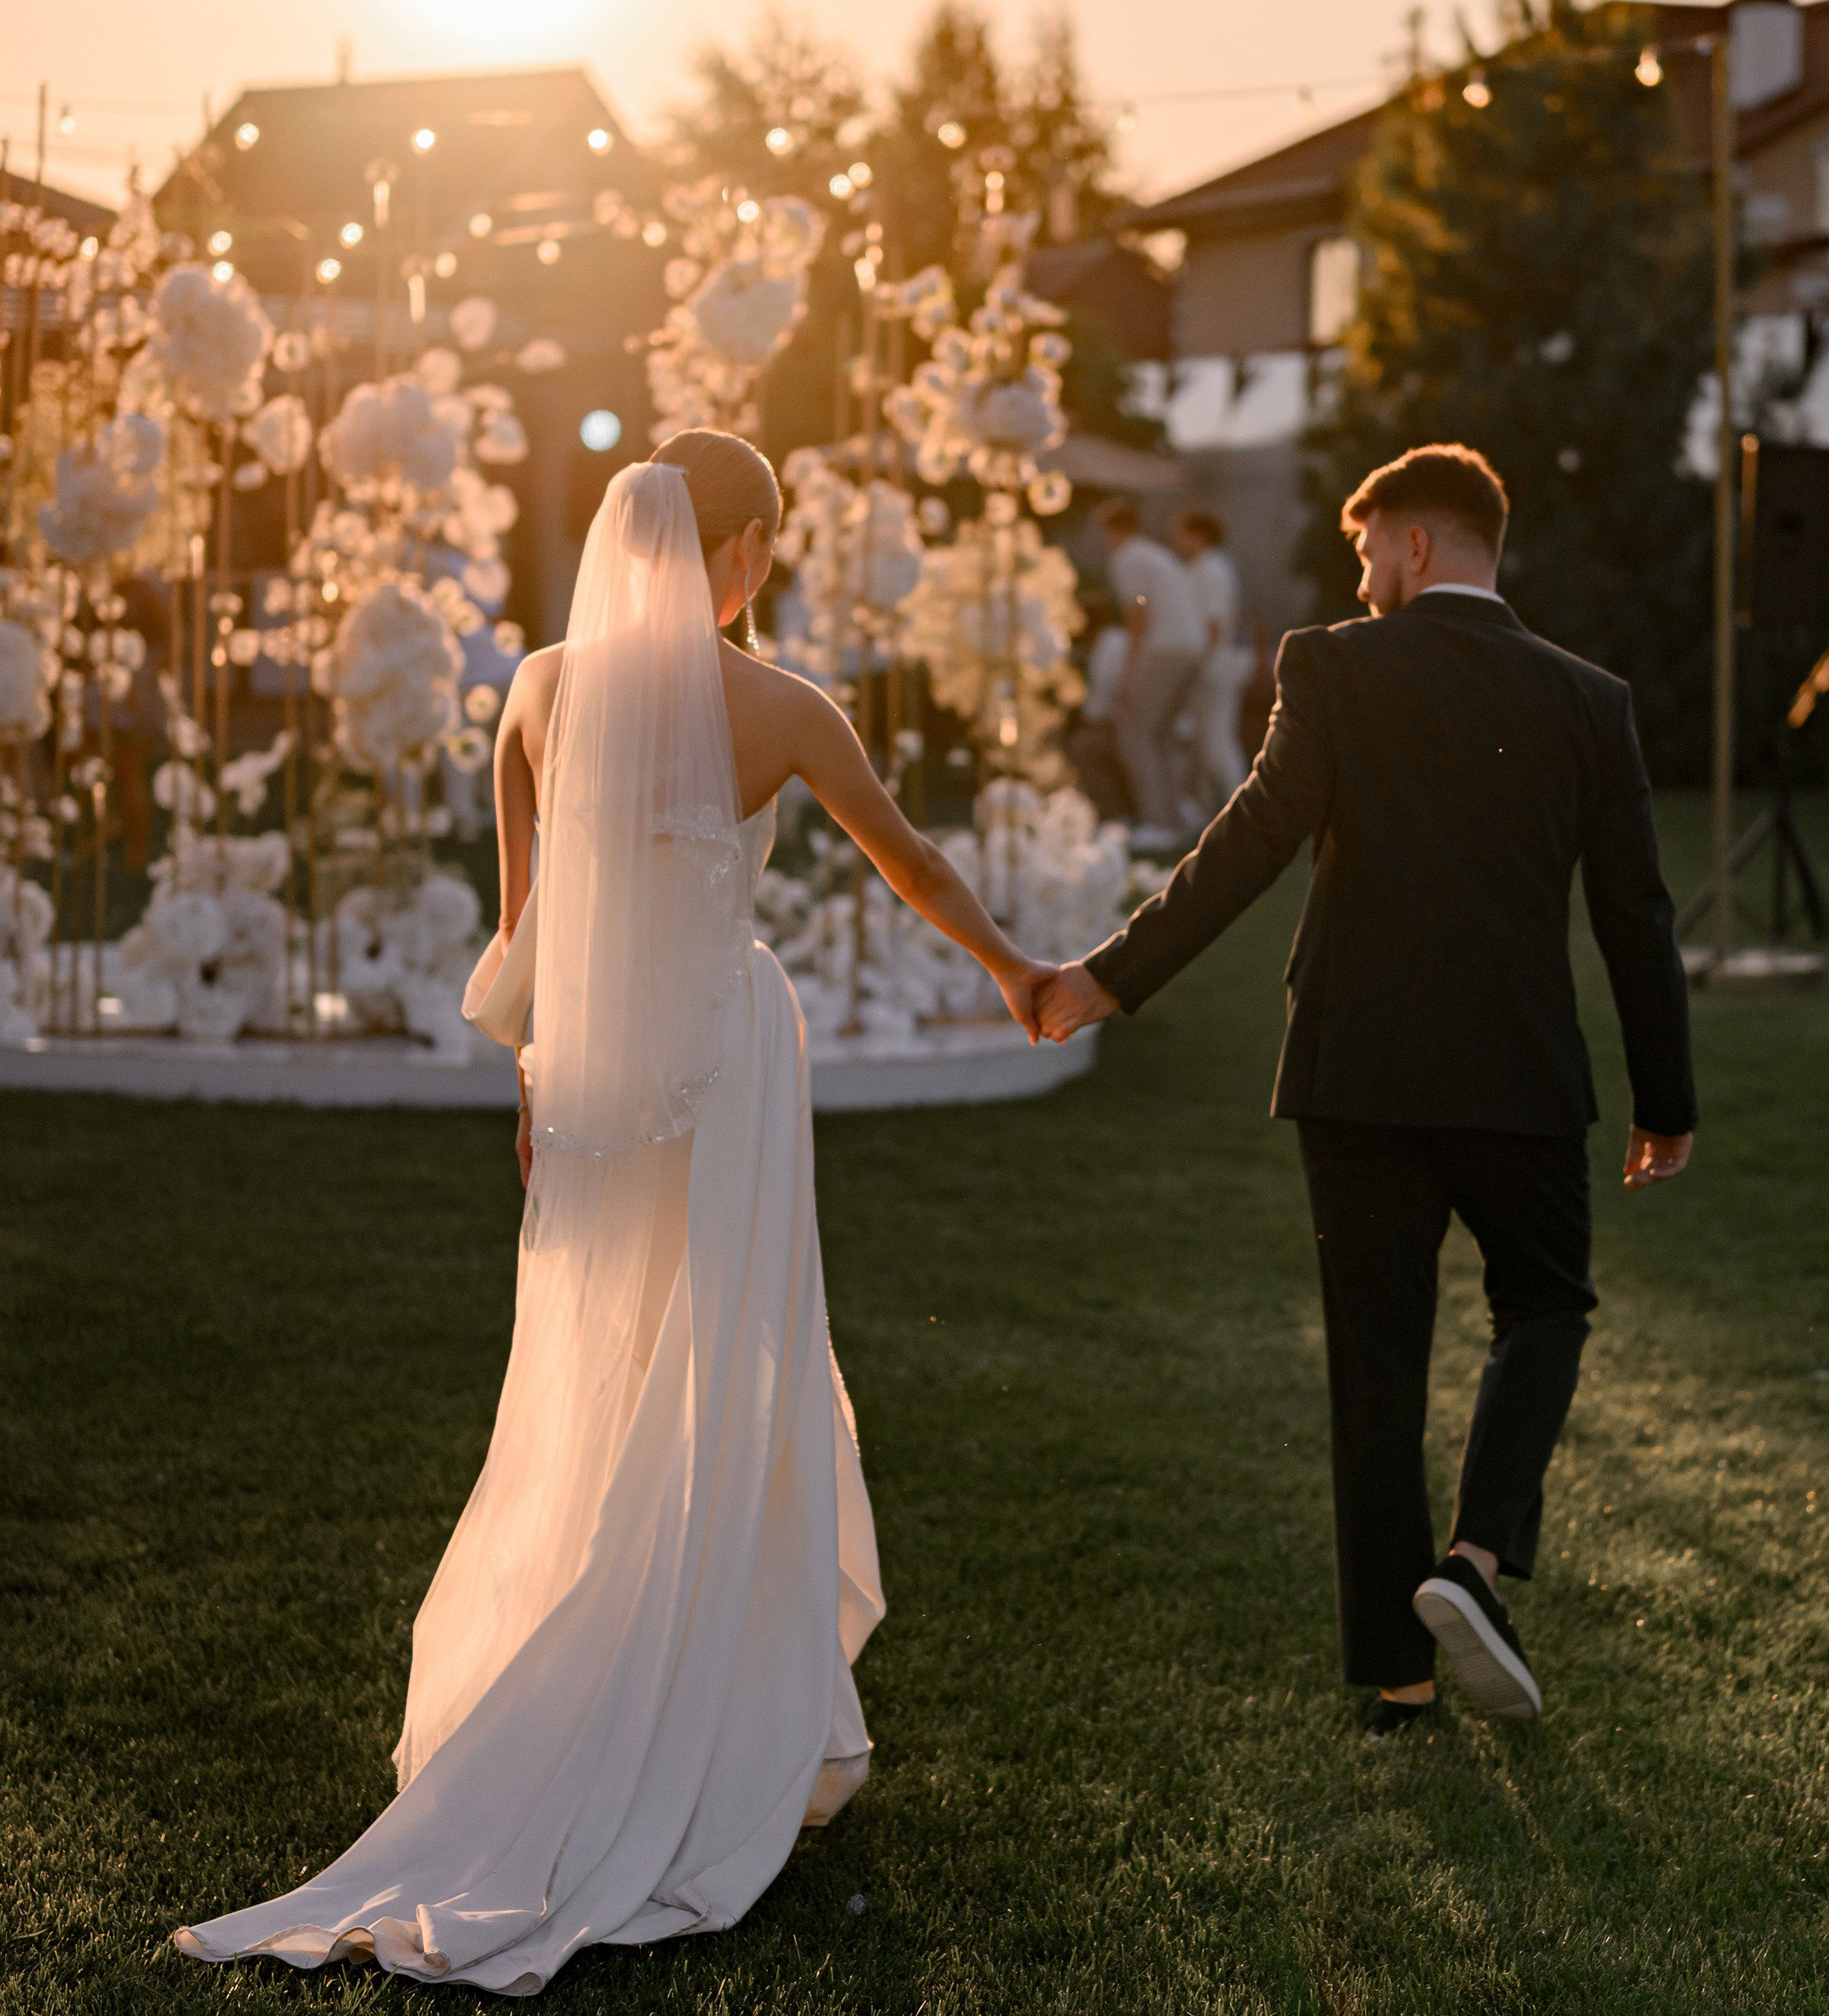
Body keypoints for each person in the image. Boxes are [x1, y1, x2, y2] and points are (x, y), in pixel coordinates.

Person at [177, 432, 1055, 1994]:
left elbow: (531, 932)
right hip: (724, 1071)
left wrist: (536, 1092)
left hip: (589, 1091)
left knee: (601, 1382)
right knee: (730, 1369)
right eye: (762, 545)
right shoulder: (782, 707)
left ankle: (605, 1686)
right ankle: (713, 1716)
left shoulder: (537, 689)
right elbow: (906, 856)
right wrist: (1017, 972)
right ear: (742, 548)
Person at [1036, 443, 1696, 1739]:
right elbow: (1637, 916)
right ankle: (1478, 1564)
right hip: (1521, 1075)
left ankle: (1398, 1678)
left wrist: (1111, 979)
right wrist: (1664, 1099)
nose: (1361, 576)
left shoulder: (1330, 666)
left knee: (1377, 1364)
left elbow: (1247, 843)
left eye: (1365, 552)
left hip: (1356, 1075)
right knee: (1545, 1306)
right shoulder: (1591, 699)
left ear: (1414, 545)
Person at [1094, 496, 1205, 846]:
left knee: (1135, 733)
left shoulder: (1127, 558)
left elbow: (1138, 616)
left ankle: (1159, 822)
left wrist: (1127, 676)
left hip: (1165, 649)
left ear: (1111, 531)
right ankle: (1176, 816)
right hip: (1189, 646)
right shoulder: (1153, 553)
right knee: (1161, 735)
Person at [1170, 507, 1247, 814]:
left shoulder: (1212, 569)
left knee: (1217, 744)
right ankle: (1206, 811)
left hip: (1213, 669)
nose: (1176, 541)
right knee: (1201, 745)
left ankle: (1245, 808)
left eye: (1181, 534)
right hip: (1206, 668)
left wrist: (1195, 664)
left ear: (1198, 536)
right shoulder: (1201, 568)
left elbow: (1213, 625)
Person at [1066, 591, 1136, 823]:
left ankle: (1112, 814)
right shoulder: (1108, 641)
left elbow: (1104, 700)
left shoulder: (1112, 645)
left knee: (1084, 747)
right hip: (1118, 721)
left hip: (1121, 724)